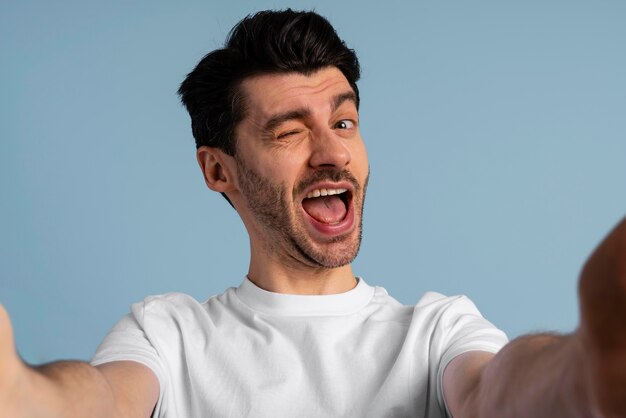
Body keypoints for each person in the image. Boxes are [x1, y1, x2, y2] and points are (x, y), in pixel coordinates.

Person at [1, 8, 625, 418]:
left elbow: (499, 393)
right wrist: (20, 392)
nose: (333, 153)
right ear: (219, 170)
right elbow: (101, 401)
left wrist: (587, 363)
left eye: (344, 122)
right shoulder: (168, 335)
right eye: (289, 132)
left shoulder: (436, 331)